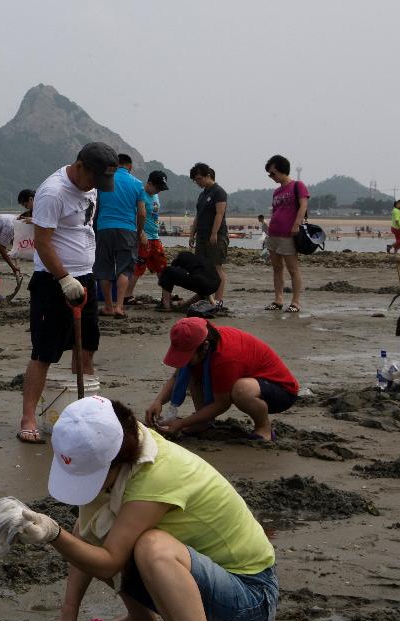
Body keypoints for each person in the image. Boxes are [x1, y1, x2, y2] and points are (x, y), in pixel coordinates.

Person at [19, 395, 277, 621]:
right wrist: (68, 617)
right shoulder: (126, 448)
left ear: (116, 461)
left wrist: (53, 535)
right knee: (96, 527)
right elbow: (85, 535)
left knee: (151, 546)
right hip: (203, 583)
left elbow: (108, 562)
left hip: (248, 601)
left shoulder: (156, 475)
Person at [17, 142, 116, 444]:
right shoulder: (53, 192)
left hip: (85, 277)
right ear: (80, 165)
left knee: (86, 347)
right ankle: (29, 417)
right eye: (94, 179)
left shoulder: (93, 187)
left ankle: (84, 413)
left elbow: (85, 228)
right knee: (44, 352)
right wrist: (64, 278)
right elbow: (43, 242)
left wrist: (83, 276)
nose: (95, 186)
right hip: (52, 281)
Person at [145, 317, 299, 442]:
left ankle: (263, 429)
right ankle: (202, 422)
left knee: (241, 390)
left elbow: (222, 403)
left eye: (187, 354)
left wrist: (182, 423)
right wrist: (158, 401)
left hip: (281, 391)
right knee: (191, 371)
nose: (183, 360)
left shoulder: (226, 357)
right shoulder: (202, 338)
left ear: (204, 346)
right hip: (251, 381)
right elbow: (177, 375)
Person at [93, 154, 146, 318]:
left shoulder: (103, 181)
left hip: (104, 228)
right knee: (124, 269)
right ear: (130, 167)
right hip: (127, 229)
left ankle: (108, 306)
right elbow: (142, 213)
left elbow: (95, 208)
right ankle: (119, 307)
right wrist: (139, 231)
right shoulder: (137, 184)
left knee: (104, 269)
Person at [263, 155, 309, 313]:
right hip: (273, 233)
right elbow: (276, 211)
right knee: (276, 268)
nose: (271, 177)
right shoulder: (276, 192)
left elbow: (303, 206)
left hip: (289, 235)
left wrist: (296, 225)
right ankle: (278, 299)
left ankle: (295, 302)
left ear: (282, 170)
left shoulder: (298, 186)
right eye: (269, 174)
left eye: (273, 173)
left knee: (293, 269)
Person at [187, 163, 229, 310]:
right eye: (195, 180)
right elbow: (198, 216)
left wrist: (214, 234)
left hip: (216, 235)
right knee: (202, 268)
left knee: (216, 267)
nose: (198, 182)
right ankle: (206, 299)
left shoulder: (219, 192)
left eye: (199, 179)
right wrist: (192, 234)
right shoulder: (202, 194)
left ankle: (218, 300)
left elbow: (219, 214)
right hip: (201, 236)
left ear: (208, 175)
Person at [128, 170, 170, 303]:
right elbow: (135, 215)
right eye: (157, 188)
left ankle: (166, 296)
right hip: (144, 238)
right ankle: (127, 296)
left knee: (162, 266)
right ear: (149, 184)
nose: (159, 191)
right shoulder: (141, 195)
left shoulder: (155, 196)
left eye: (161, 189)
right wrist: (140, 233)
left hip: (155, 237)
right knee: (138, 267)